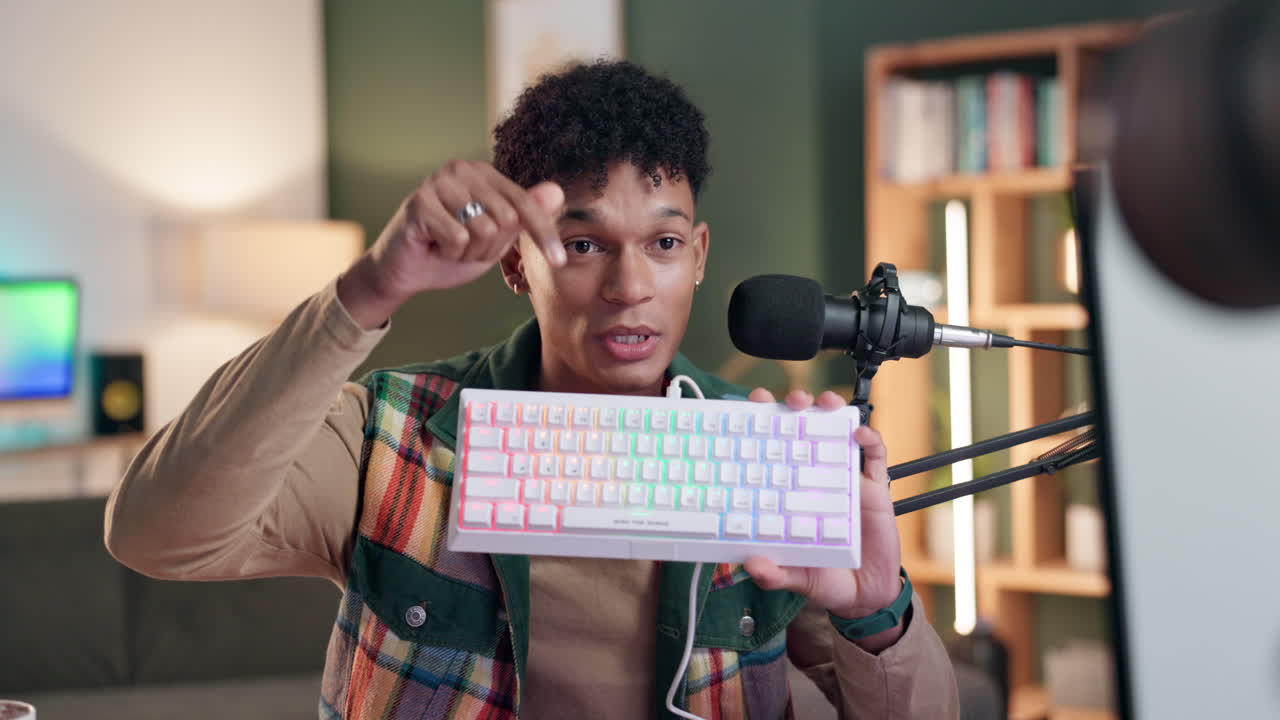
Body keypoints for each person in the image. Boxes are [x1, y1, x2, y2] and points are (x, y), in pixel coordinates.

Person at [105, 60, 959, 720]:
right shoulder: (392, 434)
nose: (630, 286)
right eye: (584, 245)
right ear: (518, 262)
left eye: (662, 244)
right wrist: (371, 288)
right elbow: (155, 534)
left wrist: (878, 612)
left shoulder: (762, 454)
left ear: (698, 255)